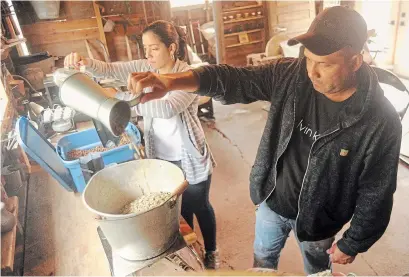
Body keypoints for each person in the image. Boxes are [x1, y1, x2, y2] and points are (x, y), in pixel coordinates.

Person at [124, 7, 402, 274]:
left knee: (317, 271)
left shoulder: (380, 121)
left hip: (320, 222)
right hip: (270, 200)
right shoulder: (290, 76)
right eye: (308, 59)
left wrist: (354, 241)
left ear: (355, 61)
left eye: (325, 64)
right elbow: (233, 80)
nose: (311, 72)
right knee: (261, 262)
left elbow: (376, 193)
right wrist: (171, 82)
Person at [64, 20, 220, 269]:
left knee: (199, 205)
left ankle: (211, 251)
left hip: (189, 155)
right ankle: (191, 247)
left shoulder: (188, 76)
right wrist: (86, 63)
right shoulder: (146, 67)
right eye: (145, 48)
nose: (147, 55)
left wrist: (121, 98)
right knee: (179, 208)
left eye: (154, 48)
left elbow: (167, 108)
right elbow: (110, 69)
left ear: (171, 48)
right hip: (163, 157)